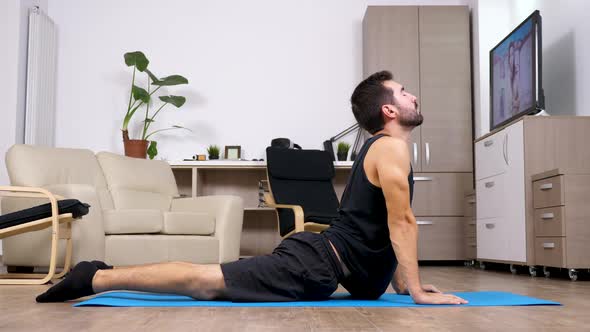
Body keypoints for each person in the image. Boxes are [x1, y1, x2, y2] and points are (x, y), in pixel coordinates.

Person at [36, 71, 468, 305]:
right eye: (405, 92)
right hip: (314, 264)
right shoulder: (392, 149)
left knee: (207, 281)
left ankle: (98, 274)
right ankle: (97, 277)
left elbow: (379, 226)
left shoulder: (383, 148)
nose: (415, 96)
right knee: (205, 283)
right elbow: (401, 220)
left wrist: (401, 282)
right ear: (389, 109)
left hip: (324, 262)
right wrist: (414, 289)